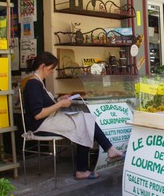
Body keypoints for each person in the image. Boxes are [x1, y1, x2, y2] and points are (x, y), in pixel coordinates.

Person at [23, 52, 124, 180]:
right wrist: (60, 104)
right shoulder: (33, 84)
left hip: (48, 120)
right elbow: (38, 114)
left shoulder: (38, 82)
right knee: (83, 122)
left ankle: (107, 150)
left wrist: (59, 99)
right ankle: (86, 166)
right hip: (40, 124)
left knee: (85, 119)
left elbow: (43, 104)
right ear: (43, 66)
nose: (52, 72)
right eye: (51, 68)